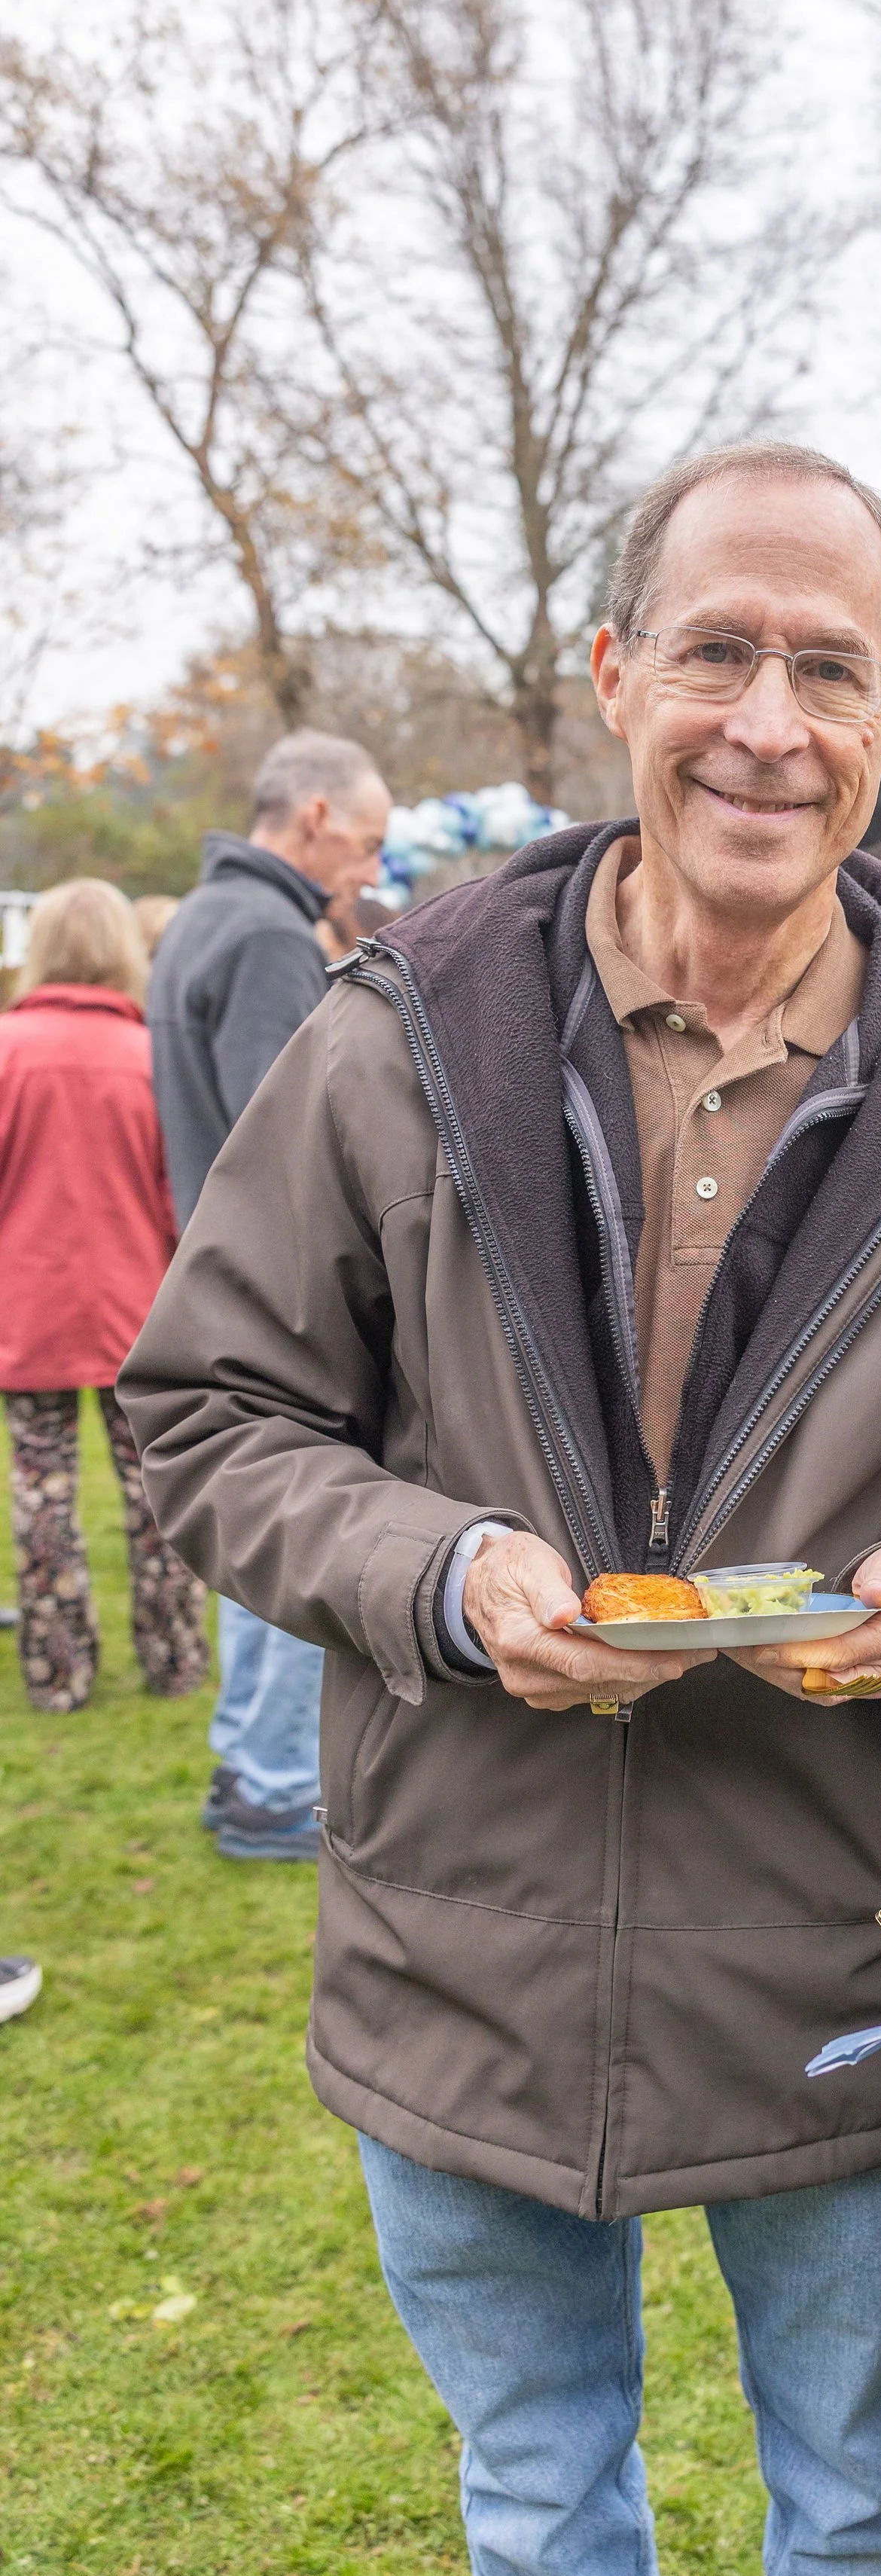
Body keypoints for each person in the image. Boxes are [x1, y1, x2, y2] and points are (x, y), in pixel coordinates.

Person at [121, 438, 881, 2576]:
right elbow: (208, 1411)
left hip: (832, 1960)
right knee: (536, 2489)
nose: (767, 720)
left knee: (857, 2500)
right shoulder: (397, 1039)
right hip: (456, 1929)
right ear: (611, 672)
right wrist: (435, 1576)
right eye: (718, 651)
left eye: (827, 669)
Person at [148, 728, 393, 1860]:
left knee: (258, 1527)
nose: (371, 871)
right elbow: (287, 1128)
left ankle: (252, 1764)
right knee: (296, 1523)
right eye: (369, 843)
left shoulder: (206, 914)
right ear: (315, 821)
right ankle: (272, 1778)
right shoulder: (262, 935)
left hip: (220, 1263)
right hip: (280, 1289)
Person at [0, 881, 208, 1714]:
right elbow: (181, 1196)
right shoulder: (152, 1057)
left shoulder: (8, 1050)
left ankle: (58, 1673)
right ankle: (174, 1656)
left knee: (42, 1489)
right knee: (158, 1490)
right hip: (139, 1313)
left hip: (28, 1314)